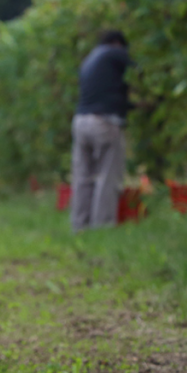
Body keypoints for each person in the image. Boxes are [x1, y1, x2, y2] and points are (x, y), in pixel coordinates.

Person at [71, 30, 133, 231]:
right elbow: (140, 69)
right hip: (103, 122)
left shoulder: (90, 59)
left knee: (83, 177)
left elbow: (104, 90)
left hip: (80, 121)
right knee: (107, 175)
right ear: (117, 43)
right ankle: (103, 226)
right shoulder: (113, 52)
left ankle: (80, 226)